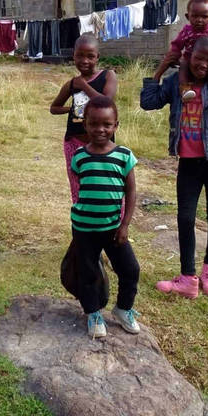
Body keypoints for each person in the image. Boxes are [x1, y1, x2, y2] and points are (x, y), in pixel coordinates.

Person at [140, 35, 208, 299]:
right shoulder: (177, 82)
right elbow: (148, 102)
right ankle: (188, 278)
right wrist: (161, 68)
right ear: (190, 56)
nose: (204, 64)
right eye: (199, 58)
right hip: (189, 163)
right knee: (185, 218)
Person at [70, 95, 141, 338]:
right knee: (88, 272)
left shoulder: (124, 156)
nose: (100, 129)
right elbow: (82, 186)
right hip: (84, 229)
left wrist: (125, 224)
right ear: (85, 124)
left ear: (115, 126)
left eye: (107, 125)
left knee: (130, 269)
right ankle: (93, 313)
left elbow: (130, 191)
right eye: (94, 124)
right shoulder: (79, 157)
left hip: (113, 228)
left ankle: (123, 309)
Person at [50, 34, 118, 203]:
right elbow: (54, 108)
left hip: (102, 143)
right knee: (78, 186)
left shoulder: (108, 76)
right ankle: (82, 220)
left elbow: (106, 102)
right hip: (74, 143)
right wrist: (72, 109)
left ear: (98, 57)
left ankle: (111, 222)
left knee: (105, 183)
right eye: (79, 55)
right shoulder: (72, 84)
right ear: (73, 55)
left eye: (90, 56)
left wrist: (84, 86)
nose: (84, 60)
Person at [152, 0, 208, 113]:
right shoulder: (186, 31)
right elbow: (177, 45)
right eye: (195, 16)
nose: (199, 20)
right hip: (189, 61)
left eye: (204, 17)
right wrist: (174, 55)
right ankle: (185, 89)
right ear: (188, 17)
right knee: (183, 65)